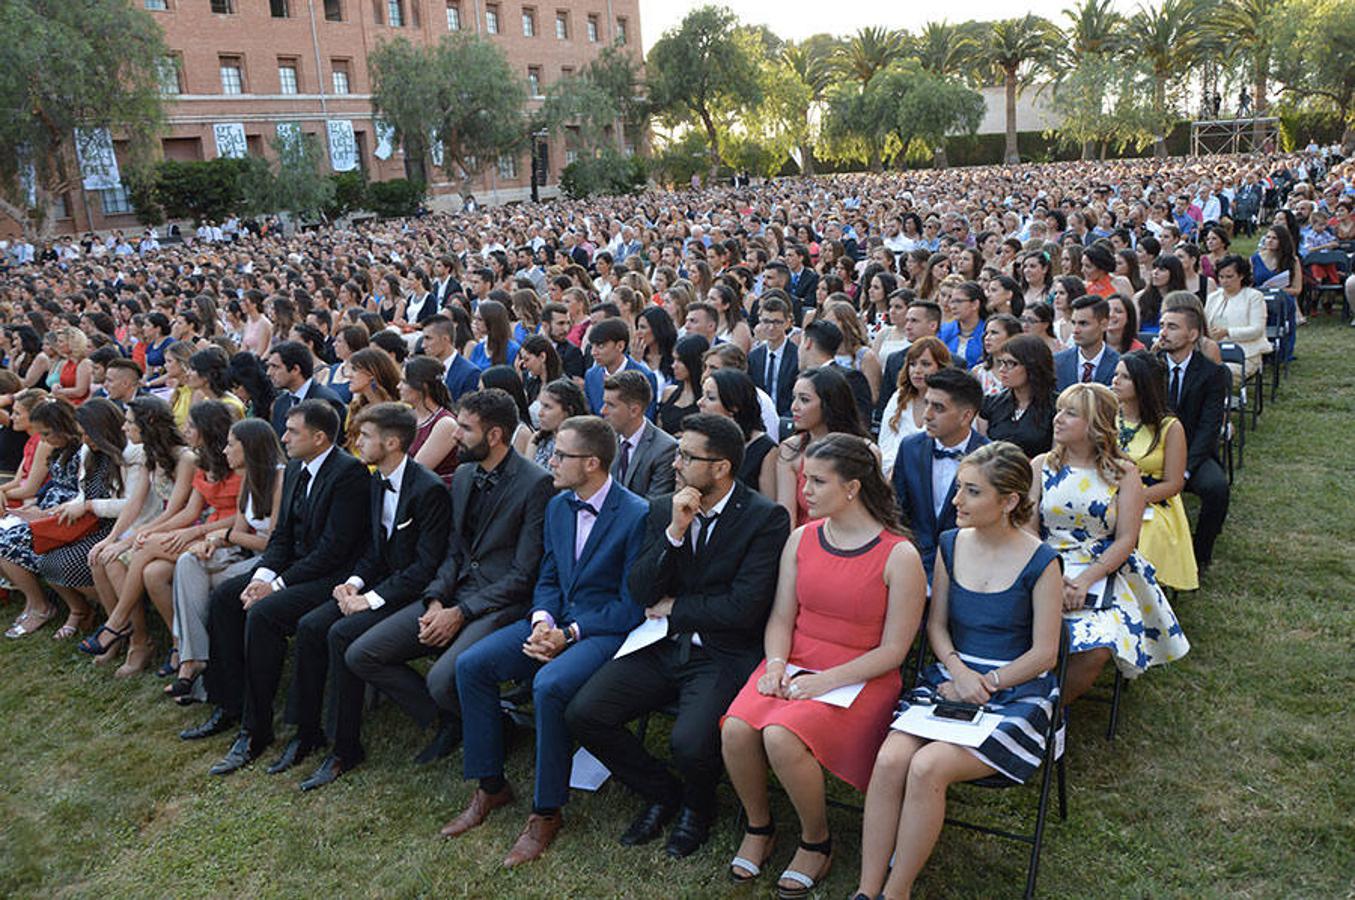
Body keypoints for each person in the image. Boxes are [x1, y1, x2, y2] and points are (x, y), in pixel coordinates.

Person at [567, 414, 791, 858]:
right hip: (662, 642)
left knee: (688, 741)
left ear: (721, 468)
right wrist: (674, 533)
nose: (675, 463)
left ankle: (698, 805)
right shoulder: (663, 509)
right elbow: (641, 590)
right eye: (678, 453)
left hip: (723, 652)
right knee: (585, 713)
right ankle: (664, 791)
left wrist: (678, 607)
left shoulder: (765, 519)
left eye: (688, 456)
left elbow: (745, 608)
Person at [856, 441, 1063, 900]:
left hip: (1017, 691)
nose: (955, 502)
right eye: (958, 489)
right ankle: (867, 890)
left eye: (971, 492)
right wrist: (956, 672)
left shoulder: (1042, 561)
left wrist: (986, 681)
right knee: (891, 760)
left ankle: (897, 891)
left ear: (1009, 501)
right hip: (950, 678)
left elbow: (1045, 653)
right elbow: (937, 626)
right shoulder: (950, 544)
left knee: (927, 766)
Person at [721, 434, 925, 895]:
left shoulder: (899, 555)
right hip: (795, 662)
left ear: (852, 488)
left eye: (817, 481)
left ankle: (816, 840)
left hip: (861, 675)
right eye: (804, 479)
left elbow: (894, 651)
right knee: (735, 727)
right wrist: (775, 664)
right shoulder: (802, 538)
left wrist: (825, 681)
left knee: (781, 735)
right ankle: (759, 827)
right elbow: (780, 617)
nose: (804, 490)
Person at [443, 415, 648, 867]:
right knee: (471, 666)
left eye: (561, 455)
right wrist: (541, 622)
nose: (549, 461)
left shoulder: (637, 514)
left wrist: (568, 634)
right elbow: (549, 574)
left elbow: (631, 606)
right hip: (554, 622)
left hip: (602, 632)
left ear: (591, 462)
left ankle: (546, 811)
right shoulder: (559, 504)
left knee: (549, 687)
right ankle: (490, 786)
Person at [345, 389, 553, 775]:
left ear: (494, 436)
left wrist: (459, 613)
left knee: (444, 679)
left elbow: (524, 574)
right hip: (453, 592)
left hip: (500, 602)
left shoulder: (536, 484)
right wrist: (437, 600)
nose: (454, 435)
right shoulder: (463, 473)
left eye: (464, 428)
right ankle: (457, 720)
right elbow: (453, 550)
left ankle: (497, 726)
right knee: (363, 654)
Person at [190, 400, 370, 771]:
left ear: (319, 438)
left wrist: (278, 586)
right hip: (297, 567)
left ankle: (259, 730)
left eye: (293, 432)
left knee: (265, 614)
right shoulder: (294, 470)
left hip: (332, 576)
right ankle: (231, 704)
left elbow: (333, 550)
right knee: (226, 597)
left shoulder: (349, 474)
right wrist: (261, 578)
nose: (283, 437)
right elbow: (282, 538)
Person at [284, 404, 453, 790]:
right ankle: (305, 730)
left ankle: (346, 748)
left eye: (364, 436)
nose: (356, 442)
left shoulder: (428, 490)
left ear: (391, 442)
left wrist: (370, 599)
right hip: (382, 585)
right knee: (311, 625)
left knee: (341, 634)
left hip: (415, 592)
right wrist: (355, 583)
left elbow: (425, 568)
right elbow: (376, 549)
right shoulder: (376, 479)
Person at [1029, 383, 1190, 704]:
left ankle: (1047, 711)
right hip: (1044, 565)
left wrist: (1085, 580)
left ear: (1095, 424)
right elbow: (1028, 532)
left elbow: (1127, 538)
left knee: (1097, 649)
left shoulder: (1123, 473)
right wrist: (1055, 578)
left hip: (1103, 570)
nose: (1057, 418)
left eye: (1070, 413)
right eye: (1059, 410)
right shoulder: (1041, 465)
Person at [79, 400, 241, 676]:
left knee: (140, 556)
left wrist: (140, 536)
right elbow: (137, 503)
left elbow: (185, 513)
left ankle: (120, 626)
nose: (124, 426)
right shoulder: (175, 457)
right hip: (185, 529)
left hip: (208, 533)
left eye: (129, 421)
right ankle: (166, 643)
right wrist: (114, 537)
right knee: (138, 568)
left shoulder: (191, 458)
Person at [167, 418, 284, 703]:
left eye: (232, 445)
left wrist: (226, 534)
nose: (224, 452)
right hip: (245, 553)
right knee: (187, 562)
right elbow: (241, 533)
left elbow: (273, 542)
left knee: (216, 589)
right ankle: (194, 659)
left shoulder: (279, 479)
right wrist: (212, 542)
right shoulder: (249, 476)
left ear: (251, 447)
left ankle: (205, 672)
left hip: (270, 562)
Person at [0, 399, 126, 642]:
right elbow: (55, 486)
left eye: (47, 433)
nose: (44, 439)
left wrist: (49, 510)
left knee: (25, 545)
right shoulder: (72, 450)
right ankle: (47, 605)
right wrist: (39, 507)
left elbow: (103, 498)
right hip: (64, 511)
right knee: (22, 542)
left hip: (89, 520)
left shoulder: (96, 452)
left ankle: (75, 610)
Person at [891, 367, 989, 583]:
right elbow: (897, 510)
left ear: (966, 416)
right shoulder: (910, 448)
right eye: (926, 403)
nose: (926, 415)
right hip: (913, 566)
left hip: (969, 571)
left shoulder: (989, 458)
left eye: (938, 408)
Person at [1111, 351, 1198, 591]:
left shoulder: (1169, 427)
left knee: (1146, 533)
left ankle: (1142, 596)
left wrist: (1133, 498)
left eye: (1125, 377)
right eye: (1116, 374)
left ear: (1143, 384)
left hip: (1152, 498)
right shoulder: (1106, 415)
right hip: (1106, 491)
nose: (1115, 381)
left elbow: (1174, 483)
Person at [1156, 301, 1230, 572]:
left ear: (1193, 335)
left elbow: (1209, 429)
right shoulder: (1150, 368)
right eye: (1162, 326)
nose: (1163, 332)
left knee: (1217, 489)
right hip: (1152, 451)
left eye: (1172, 327)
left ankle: (1200, 555)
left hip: (1193, 453)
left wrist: (1184, 471)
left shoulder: (1212, 374)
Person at [775, 366, 868, 528]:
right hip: (804, 543)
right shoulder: (790, 449)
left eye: (804, 399)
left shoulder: (866, 451)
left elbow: (873, 511)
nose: (794, 407)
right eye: (794, 398)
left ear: (829, 403)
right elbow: (786, 517)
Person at [697, 368, 777, 497]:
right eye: (702, 395)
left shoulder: (765, 449)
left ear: (733, 406)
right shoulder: (701, 439)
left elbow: (768, 505)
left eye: (710, 398)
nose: (700, 402)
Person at [878, 337, 949, 479]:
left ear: (940, 367)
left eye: (926, 364)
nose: (917, 370)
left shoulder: (951, 402)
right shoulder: (899, 396)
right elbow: (885, 443)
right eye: (912, 364)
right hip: (892, 474)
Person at [979, 334, 1058, 459]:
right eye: (1002, 363)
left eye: (1011, 363)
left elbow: (1057, 457)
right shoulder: (991, 403)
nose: (1002, 370)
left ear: (1032, 366)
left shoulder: (1057, 406)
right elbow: (981, 452)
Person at [603, 371, 678, 500]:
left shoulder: (665, 449)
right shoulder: (604, 440)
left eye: (611, 405)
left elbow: (653, 505)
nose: (602, 411)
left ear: (634, 410)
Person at [398, 356, 460, 485]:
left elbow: (415, 471)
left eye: (404, 381)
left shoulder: (445, 423)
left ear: (423, 386)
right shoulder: (409, 415)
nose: (398, 386)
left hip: (434, 497)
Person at [265, 341, 346, 439]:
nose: (269, 373)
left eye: (275, 367)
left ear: (295, 369)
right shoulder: (280, 403)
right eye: (269, 366)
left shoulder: (327, 402)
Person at [1205, 254, 1268, 379]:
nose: (1224, 281)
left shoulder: (1254, 297)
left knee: (1216, 373)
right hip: (1213, 352)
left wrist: (1227, 332)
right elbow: (1204, 324)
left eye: (1229, 277)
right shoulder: (1213, 297)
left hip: (1246, 355)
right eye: (1221, 277)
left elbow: (1257, 330)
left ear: (1241, 276)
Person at [583, 317, 659, 420]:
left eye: (600, 346)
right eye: (592, 346)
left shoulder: (645, 376)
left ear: (620, 346)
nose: (593, 352)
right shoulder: (591, 375)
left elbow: (647, 418)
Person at [1055, 295, 1120, 389]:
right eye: (1073, 323)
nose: (1075, 330)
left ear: (1104, 325)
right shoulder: (1057, 363)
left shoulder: (1119, 365)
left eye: (1083, 324)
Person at [526, 378, 589, 470]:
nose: (540, 413)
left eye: (547, 407)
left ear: (568, 411)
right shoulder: (537, 439)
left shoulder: (582, 444)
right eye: (541, 405)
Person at [421, 314, 482, 402]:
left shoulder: (470, 373)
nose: (423, 345)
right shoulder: (423, 369)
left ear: (446, 339)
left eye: (428, 338)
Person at [656, 334, 708, 435]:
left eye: (680, 361)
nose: (674, 366)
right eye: (674, 360)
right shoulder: (668, 393)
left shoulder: (706, 399)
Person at [938, 281, 986, 368]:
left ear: (975, 304)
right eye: (952, 302)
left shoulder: (988, 332)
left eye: (958, 301)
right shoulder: (944, 331)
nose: (953, 306)